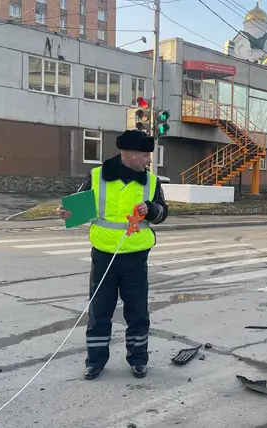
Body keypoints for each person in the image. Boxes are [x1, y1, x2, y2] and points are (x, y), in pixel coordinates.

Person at [57, 130, 168, 380]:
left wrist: (150, 209)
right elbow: (79, 207)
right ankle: (95, 361)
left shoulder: (151, 181)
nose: (149, 160)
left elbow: (163, 212)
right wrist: (67, 212)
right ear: (128, 154)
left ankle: (138, 359)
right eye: (145, 155)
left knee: (138, 312)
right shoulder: (97, 176)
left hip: (136, 258)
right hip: (104, 256)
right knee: (100, 311)